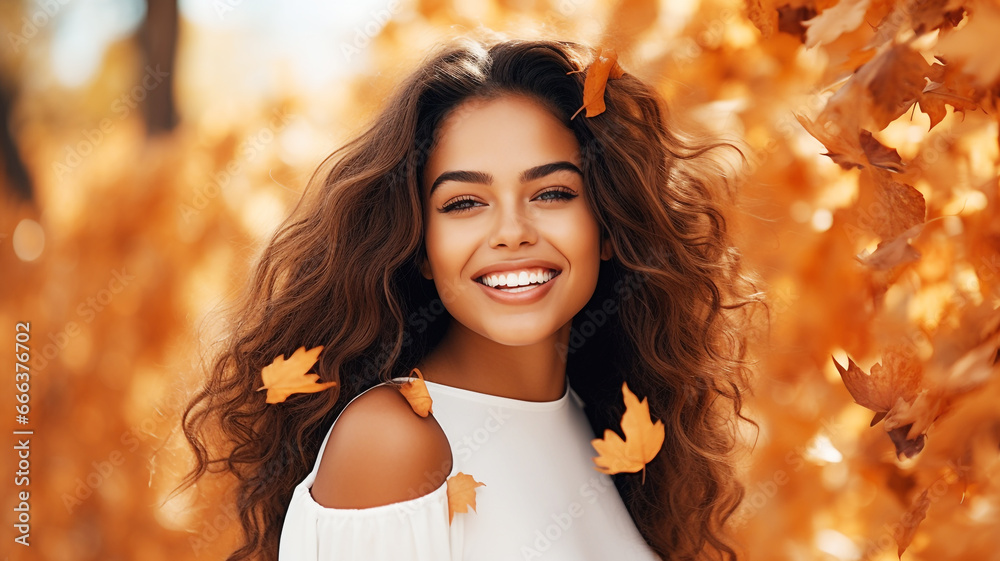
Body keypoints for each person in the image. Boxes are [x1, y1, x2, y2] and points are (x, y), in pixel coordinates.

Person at [178, 33, 759, 561]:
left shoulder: (593, 415)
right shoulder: (394, 440)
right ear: (421, 247)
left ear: (606, 226)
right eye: (463, 203)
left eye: (553, 192)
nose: (511, 231)